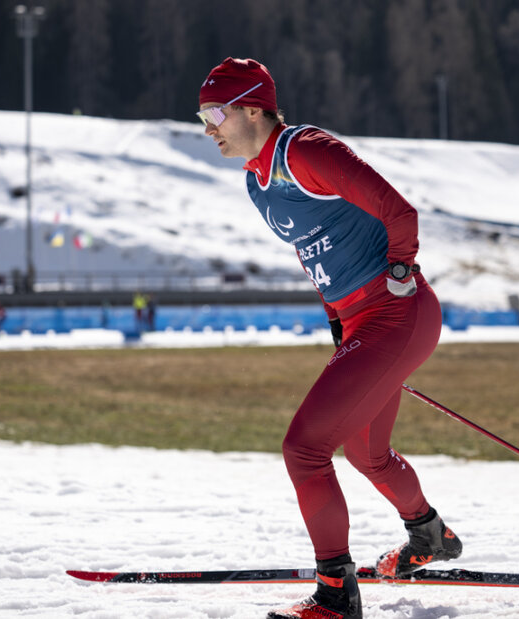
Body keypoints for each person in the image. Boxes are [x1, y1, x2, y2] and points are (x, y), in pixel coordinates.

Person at [198, 58, 461, 619]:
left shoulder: (305, 152)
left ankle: (336, 594)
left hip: (397, 313)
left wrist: (399, 271)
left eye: (215, 113)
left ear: (252, 108)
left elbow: (400, 212)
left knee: (304, 449)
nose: (208, 128)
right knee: (367, 454)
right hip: (363, 324)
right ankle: (430, 535)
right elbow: (318, 257)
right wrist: (341, 327)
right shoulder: (257, 181)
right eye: (202, 116)